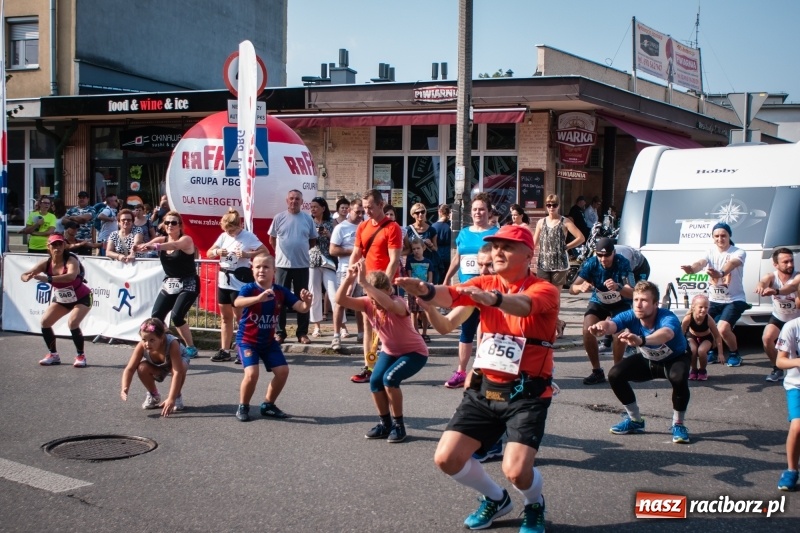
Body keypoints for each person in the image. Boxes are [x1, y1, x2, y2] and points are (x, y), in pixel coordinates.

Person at [396, 224, 559, 532]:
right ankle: (496, 499)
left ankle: (534, 503)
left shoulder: (544, 289)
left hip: (527, 393)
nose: (498, 251)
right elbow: (452, 295)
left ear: (528, 254)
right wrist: (425, 290)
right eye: (495, 246)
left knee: (516, 471)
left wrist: (493, 300)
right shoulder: (483, 282)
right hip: (485, 388)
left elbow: (524, 306)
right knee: (447, 459)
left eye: (507, 247)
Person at [418, 243, 506, 462]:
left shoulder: (517, 288)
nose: (484, 271)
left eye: (489, 266)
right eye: (480, 266)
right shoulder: (477, 289)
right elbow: (446, 325)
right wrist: (429, 307)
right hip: (491, 358)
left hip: (520, 362)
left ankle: (502, 438)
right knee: (475, 389)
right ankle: (492, 443)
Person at [588, 281, 692, 444]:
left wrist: (641, 340)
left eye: (644, 300)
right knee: (615, 374)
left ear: (655, 304)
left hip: (675, 359)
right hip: (649, 359)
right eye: (636, 300)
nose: (638, 305)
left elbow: (666, 334)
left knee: (678, 378)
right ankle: (635, 421)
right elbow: (611, 324)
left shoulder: (667, 317)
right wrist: (600, 327)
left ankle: (678, 424)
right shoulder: (631, 315)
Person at [336, 261, 429, 443]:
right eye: (371, 298)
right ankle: (385, 424)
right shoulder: (367, 303)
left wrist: (365, 284)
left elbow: (387, 305)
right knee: (375, 381)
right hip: (390, 351)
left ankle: (399, 426)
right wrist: (349, 279)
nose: (374, 303)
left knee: (390, 379)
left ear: (389, 290)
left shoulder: (398, 302)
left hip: (414, 353)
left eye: (376, 296)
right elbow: (340, 300)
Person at [234, 253, 312, 422]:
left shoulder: (280, 291)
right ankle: (243, 406)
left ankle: (268, 405)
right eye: (258, 267)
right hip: (247, 340)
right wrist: (258, 298)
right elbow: (237, 303)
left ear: (274, 271)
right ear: (252, 270)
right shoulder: (249, 289)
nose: (262, 270)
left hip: (268, 341)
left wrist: (307, 302)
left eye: (266, 267)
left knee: (283, 371)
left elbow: (301, 308)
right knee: (252, 374)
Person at [441, 192, 499, 389]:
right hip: (467, 290)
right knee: (466, 332)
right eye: (475, 209)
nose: (478, 212)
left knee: (485, 332)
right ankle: (460, 371)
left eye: (482, 209)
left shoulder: (495, 233)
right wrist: (448, 277)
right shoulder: (464, 233)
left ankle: (481, 371)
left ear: (489, 212)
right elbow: (458, 258)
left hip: (487, 290)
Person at [347, 189, 403, 383]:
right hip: (367, 283)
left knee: (387, 327)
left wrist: (384, 288)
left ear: (381, 204)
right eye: (364, 208)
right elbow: (356, 255)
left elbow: (394, 260)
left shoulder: (392, 228)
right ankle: (369, 366)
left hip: (384, 285)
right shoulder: (362, 227)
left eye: (370, 207)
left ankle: (390, 363)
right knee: (369, 325)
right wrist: (350, 279)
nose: (366, 211)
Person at [681, 222, 748, 367]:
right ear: (712, 237)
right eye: (716, 236)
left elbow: (733, 263)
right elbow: (701, 262)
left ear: (729, 236)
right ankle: (712, 351)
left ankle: (735, 353)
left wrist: (721, 273)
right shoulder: (710, 252)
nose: (720, 239)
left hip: (734, 300)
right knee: (704, 325)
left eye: (723, 235)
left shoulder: (738, 252)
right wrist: (691, 269)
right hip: (714, 300)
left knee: (722, 328)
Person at [20, 233, 92, 367]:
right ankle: (53, 355)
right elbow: (24, 275)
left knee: (73, 323)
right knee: (45, 322)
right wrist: (27, 277)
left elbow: (70, 276)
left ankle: (80, 356)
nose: (57, 247)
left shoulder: (71, 260)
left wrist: (48, 279)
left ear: (64, 245)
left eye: (60, 244)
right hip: (62, 298)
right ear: (49, 247)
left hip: (82, 297)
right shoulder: (46, 263)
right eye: (54, 245)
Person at [135, 211, 200, 359]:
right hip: (170, 283)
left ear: (180, 225)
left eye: (174, 223)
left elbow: (175, 245)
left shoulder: (186, 239)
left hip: (188, 283)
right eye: (167, 222)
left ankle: (191, 347)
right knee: (156, 317)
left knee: (177, 317)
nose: (170, 225)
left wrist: (155, 247)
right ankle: (167, 343)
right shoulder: (161, 239)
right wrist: (137, 249)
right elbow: (144, 246)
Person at [569, 237, 633, 385]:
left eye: (607, 255)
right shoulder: (591, 263)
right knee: (587, 329)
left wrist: (619, 287)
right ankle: (597, 371)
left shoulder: (622, 262)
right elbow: (572, 288)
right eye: (600, 255)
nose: (603, 259)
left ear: (614, 253)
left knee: (619, 334)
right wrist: (580, 287)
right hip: (599, 301)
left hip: (620, 302)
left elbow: (633, 292)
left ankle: (617, 370)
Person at [207, 208, 267, 363]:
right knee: (225, 317)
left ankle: (245, 348)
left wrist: (248, 255)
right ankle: (225, 349)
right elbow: (209, 253)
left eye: (232, 230)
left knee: (240, 316)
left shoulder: (248, 236)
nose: (229, 233)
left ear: (239, 225)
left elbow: (264, 251)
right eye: (227, 230)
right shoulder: (223, 236)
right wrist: (218, 251)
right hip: (224, 278)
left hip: (239, 279)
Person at [268, 189, 318, 345]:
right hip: (282, 265)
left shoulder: (307, 219)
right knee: (279, 300)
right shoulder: (279, 218)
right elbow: (272, 239)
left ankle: (302, 332)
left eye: (297, 199)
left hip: (302, 265)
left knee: (303, 299)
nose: (294, 201)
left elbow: (312, 241)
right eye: (291, 198)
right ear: (286, 200)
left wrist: (298, 250)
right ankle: (280, 332)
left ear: (302, 202)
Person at [533, 194, 585, 337]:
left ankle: (551, 326)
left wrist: (566, 247)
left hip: (559, 264)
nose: (551, 208)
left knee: (555, 298)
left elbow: (581, 237)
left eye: (554, 205)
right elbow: (534, 242)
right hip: (543, 263)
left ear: (558, 206)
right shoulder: (541, 222)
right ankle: (558, 324)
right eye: (549, 205)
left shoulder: (565, 221)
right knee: (543, 296)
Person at [120, 318, 189, 416]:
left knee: (180, 368)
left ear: (161, 337)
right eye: (144, 339)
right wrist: (125, 387)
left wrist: (171, 398)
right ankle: (154, 395)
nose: (147, 344)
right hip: (159, 364)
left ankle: (177, 396)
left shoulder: (172, 343)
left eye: (152, 340)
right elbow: (130, 369)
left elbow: (177, 372)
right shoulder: (142, 345)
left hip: (178, 361)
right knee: (142, 367)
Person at [755, 248, 800, 382]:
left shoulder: (798, 276)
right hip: (779, 318)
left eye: (791, 261)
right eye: (785, 262)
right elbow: (763, 281)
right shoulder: (771, 276)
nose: (790, 265)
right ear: (776, 265)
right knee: (767, 338)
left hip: (796, 319)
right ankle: (777, 369)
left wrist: (775, 291)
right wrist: (760, 286)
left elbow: (790, 288)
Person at [329, 198, 364, 350]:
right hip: (345, 269)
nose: (361, 215)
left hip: (362, 270)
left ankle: (362, 333)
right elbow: (333, 250)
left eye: (363, 212)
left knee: (361, 303)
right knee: (341, 302)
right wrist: (354, 251)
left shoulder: (365, 226)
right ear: (349, 210)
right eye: (357, 212)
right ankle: (336, 336)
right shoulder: (341, 228)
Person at [775, 316, 800, 491]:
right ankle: (792, 470)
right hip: (796, 385)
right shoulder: (792, 327)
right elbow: (780, 361)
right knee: (797, 426)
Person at [308, 196, 337, 339]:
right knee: (314, 294)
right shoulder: (308, 222)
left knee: (334, 293)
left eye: (316, 207)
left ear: (323, 208)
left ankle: (340, 327)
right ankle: (316, 326)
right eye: (311, 207)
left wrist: (328, 234)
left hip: (329, 261)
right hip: (312, 260)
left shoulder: (332, 222)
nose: (313, 209)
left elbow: (338, 242)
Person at [680, 294, 724, 381]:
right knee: (692, 350)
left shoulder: (709, 319)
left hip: (706, 338)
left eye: (706, 307)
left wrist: (720, 353)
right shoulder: (688, 318)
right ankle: (694, 370)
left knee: (701, 351)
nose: (703, 310)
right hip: (692, 336)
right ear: (693, 307)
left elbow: (718, 336)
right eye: (700, 307)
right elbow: (681, 334)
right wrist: (680, 350)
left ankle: (702, 370)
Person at [404, 202, 441, 285]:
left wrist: (430, 245)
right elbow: (407, 248)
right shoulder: (408, 230)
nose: (420, 214)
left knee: (429, 290)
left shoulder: (432, 230)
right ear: (413, 215)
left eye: (423, 212)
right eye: (417, 213)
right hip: (413, 264)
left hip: (428, 264)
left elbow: (436, 249)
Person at [405, 238, 434, 341]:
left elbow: (430, 277)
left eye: (418, 248)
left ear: (423, 248)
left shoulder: (428, 262)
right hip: (413, 290)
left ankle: (425, 333)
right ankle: (415, 333)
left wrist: (428, 287)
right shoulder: (410, 262)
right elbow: (409, 276)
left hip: (424, 290)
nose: (416, 251)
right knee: (414, 312)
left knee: (424, 311)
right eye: (414, 249)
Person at [431, 204, 452, 284]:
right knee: (447, 277)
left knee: (438, 277)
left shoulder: (434, 226)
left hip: (437, 253)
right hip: (448, 253)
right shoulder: (450, 225)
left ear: (439, 212)